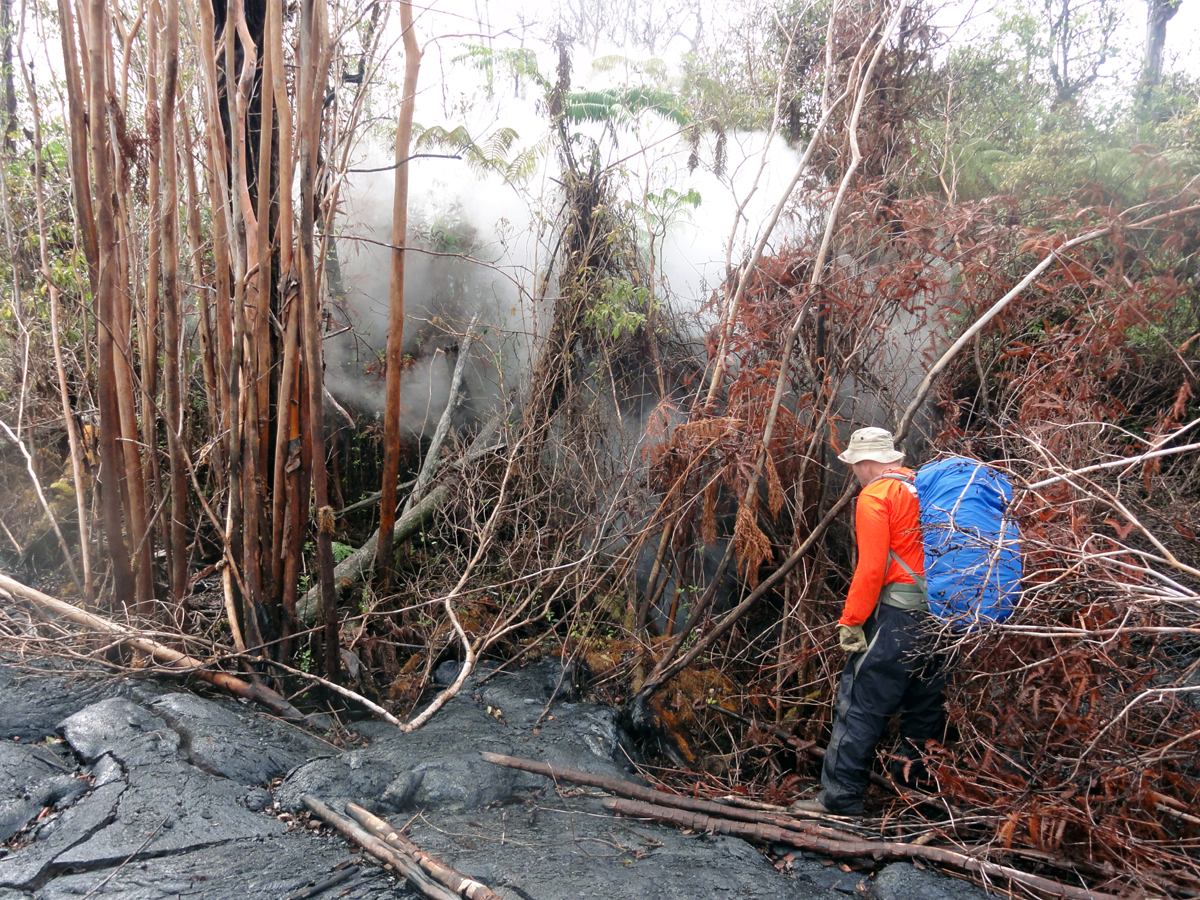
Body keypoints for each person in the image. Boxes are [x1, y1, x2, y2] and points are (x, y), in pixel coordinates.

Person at [789, 426, 947, 816]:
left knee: (860, 703)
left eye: (854, 467)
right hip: (946, 618)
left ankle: (840, 801)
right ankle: (917, 803)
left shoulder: (876, 495)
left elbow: (872, 568)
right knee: (924, 709)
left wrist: (851, 620)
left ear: (864, 463)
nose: (854, 474)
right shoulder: (924, 485)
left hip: (901, 617)